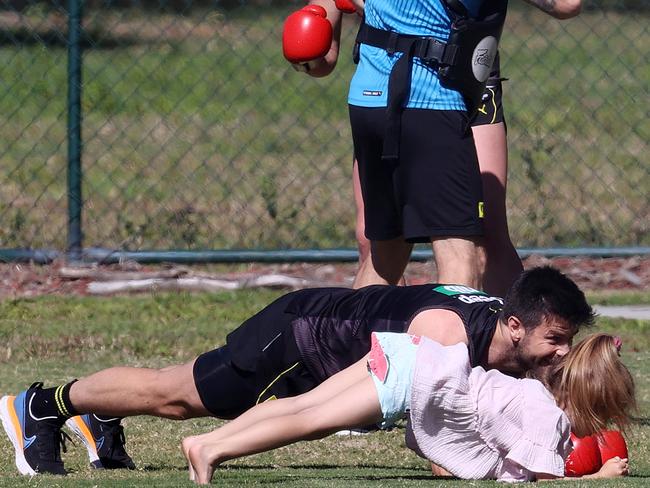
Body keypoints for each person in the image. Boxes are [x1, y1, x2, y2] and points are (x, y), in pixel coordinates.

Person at [0, 266, 593, 475]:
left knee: (172, 392)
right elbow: (432, 424)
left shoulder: (507, 335)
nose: (561, 354)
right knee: (174, 396)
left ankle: (102, 417)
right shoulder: (448, 333)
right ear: (516, 325)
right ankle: (44, 404)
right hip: (300, 338)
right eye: (554, 340)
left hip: (326, 338)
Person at [293, 0, 582, 295]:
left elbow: (567, 5)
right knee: (378, 244)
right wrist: (308, 52)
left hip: (463, 82)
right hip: (387, 89)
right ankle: (376, 337)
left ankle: (507, 337)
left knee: (484, 236)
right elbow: (322, 54)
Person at [181, 332, 635, 484]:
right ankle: (212, 452)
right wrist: (598, 478)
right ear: (587, 402)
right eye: (603, 415)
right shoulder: (545, 414)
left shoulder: (531, 394)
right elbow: (530, 480)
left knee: (303, 405)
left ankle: (206, 441)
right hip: (416, 376)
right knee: (310, 419)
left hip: (414, 354)